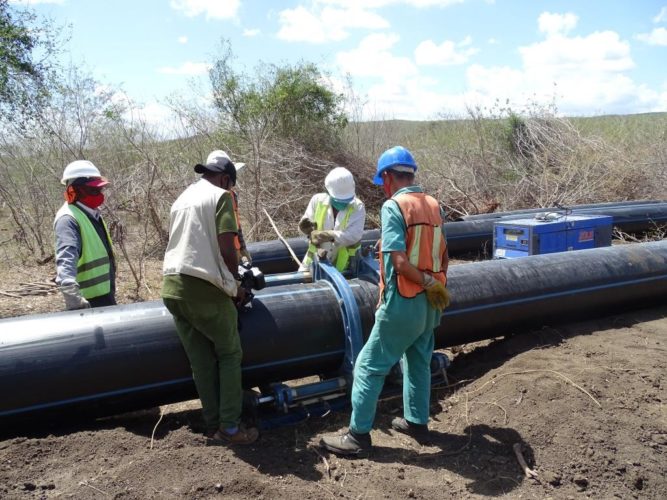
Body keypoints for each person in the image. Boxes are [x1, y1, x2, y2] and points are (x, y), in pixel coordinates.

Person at [320, 146, 450, 456]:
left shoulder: (394, 206)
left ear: (389, 177)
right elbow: (443, 254)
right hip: (431, 303)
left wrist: (422, 280)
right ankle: (417, 423)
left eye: (384, 181)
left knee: (367, 366)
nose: (384, 188)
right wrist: (435, 283)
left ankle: (357, 437)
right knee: (418, 361)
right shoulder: (433, 204)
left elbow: (401, 264)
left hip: (403, 301)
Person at [161, 150, 259, 445]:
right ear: (225, 178)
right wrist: (236, 284)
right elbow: (227, 247)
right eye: (231, 184)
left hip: (172, 288)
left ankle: (213, 424)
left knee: (201, 362)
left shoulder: (182, 199)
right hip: (203, 289)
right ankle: (230, 428)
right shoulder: (220, 197)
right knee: (229, 354)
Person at [54, 160, 116, 310]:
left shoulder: (91, 213)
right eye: (93, 190)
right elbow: (66, 257)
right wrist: (71, 295)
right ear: (74, 191)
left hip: (104, 294)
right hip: (88, 303)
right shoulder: (68, 220)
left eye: (100, 190)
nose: (99, 195)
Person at [298, 167, 366, 272]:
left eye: (346, 200)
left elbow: (354, 235)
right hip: (314, 261)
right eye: (338, 200)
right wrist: (305, 230)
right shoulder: (317, 201)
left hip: (343, 266)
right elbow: (305, 231)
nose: (342, 203)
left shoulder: (357, 207)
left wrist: (329, 235)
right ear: (329, 192)